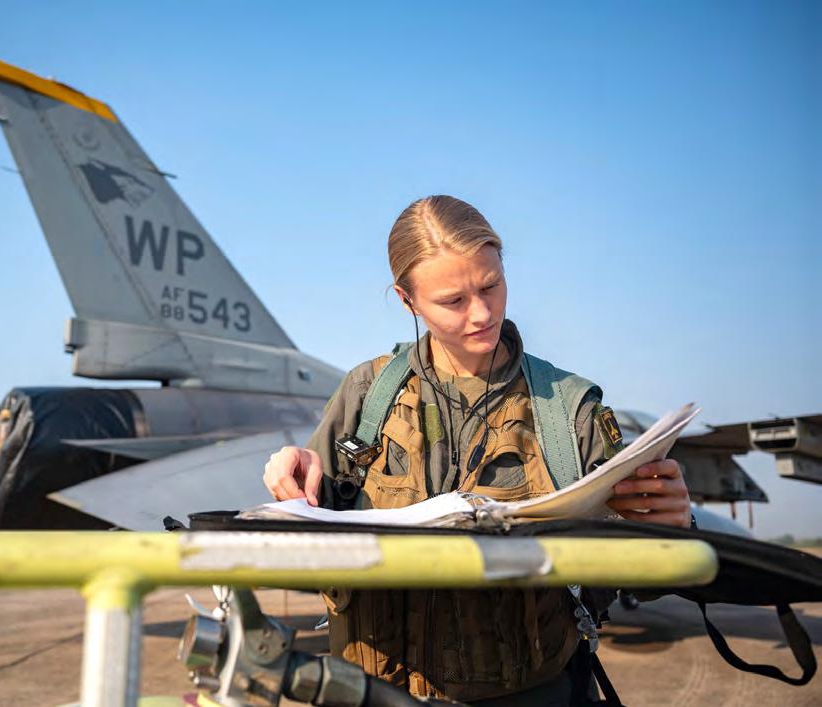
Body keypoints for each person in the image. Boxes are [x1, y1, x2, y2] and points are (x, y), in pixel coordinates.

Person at [263, 195, 691, 705]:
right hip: (372, 692)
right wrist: (295, 484)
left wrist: (670, 528)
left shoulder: (568, 408)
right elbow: (304, 542)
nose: (482, 314)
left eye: (491, 286)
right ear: (407, 301)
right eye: (453, 301)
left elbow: (638, 577)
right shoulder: (366, 395)